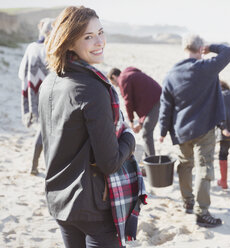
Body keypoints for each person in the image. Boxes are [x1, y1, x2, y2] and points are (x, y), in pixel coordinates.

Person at [39, 6, 136, 248]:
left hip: (59, 199)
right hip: (91, 206)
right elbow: (109, 162)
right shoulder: (92, 88)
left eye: (101, 33)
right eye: (88, 36)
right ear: (69, 42)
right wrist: (129, 140)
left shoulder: (49, 82)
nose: (99, 41)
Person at [158, 34, 230, 228]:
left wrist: (161, 130)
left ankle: (188, 201)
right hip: (204, 128)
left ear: (184, 49)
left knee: (185, 165)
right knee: (204, 168)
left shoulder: (171, 74)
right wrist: (211, 47)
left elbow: (165, 105)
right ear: (200, 49)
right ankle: (202, 212)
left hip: (181, 130)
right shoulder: (207, 68)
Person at [18, 17, 53, 175]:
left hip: (34, 93)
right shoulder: (50, 48)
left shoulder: (31, 47)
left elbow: (21, 73)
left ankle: (34, 166)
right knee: (46, 130)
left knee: (43, 128)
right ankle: (37, 165)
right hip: (50, 94)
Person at [108, 67, 162, 159]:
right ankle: (149, 159)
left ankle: (151, 162)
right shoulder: (129, 75)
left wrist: (131, 122)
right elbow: (143, 98)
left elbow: (128, 102)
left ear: (114, 76)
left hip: (155, 101)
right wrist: (140, 123)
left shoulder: (123, 79)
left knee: (146, 133)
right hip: (155, 98)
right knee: (146, 130)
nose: (116, 86)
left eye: (113, 83)